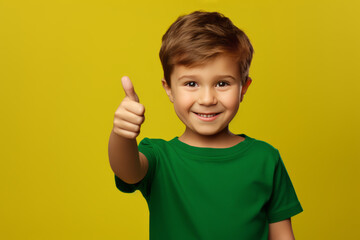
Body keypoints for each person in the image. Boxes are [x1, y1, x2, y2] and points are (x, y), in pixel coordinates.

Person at [108, 10, 303, 240]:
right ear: (169, 89)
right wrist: (122, 134)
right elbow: (128, 171)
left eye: (222, 83)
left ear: (244, 88)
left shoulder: (266, 159)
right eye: (191, 83)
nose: (208, 99)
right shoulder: (160, 157)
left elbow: (282, 236)